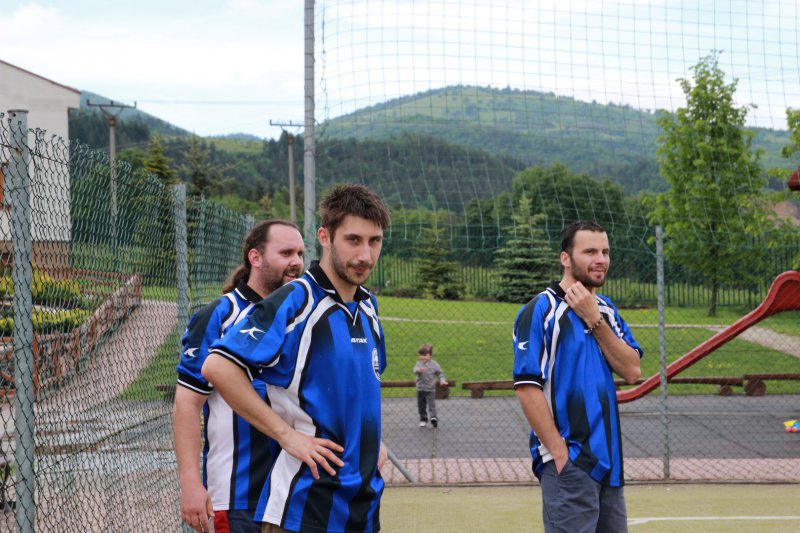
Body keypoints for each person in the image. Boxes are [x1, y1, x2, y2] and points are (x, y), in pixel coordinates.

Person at [202, 183, 391, 533]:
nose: (365, 255)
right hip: (304, 509)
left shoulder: (368, 306)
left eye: (374, 241)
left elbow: (358, 390)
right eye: (353, 240)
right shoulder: (295, 301)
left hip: (362, 508)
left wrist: (372, 440)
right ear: (325, 237)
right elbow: (218, 367)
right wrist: (287, 436)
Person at [173, 220, 305, 533]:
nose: (297, 262)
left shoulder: (302, 316)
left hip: (296, 488)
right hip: (239, 496)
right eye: (286, 253)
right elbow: (187, 405)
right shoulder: (220, 314)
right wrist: (190, 483)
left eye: (300, 253)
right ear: (255, 257)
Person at [512, 220, 643, 533]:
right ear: (565, 258)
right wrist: (559, 453)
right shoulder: (540, 310)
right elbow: (527, 388)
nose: (601, 259)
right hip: (569, 464)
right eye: (590, 252)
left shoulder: (606, 310)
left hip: (609, 465)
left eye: (605, 252)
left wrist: (594, 319)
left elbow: (632, 370)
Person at [413, 343, 446, 428]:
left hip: (430, 389)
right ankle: (423, 419)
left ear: (430, 355)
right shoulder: (418, 364)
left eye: (425, 355)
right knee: (421, 406)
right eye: (421, 355)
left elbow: (440, 373)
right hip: (420, 389)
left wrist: (442, 380)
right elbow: (415, 370)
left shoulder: (434, 364)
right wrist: (418, 370)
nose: (423, 357)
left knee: (431, 405)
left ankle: (433, 418)